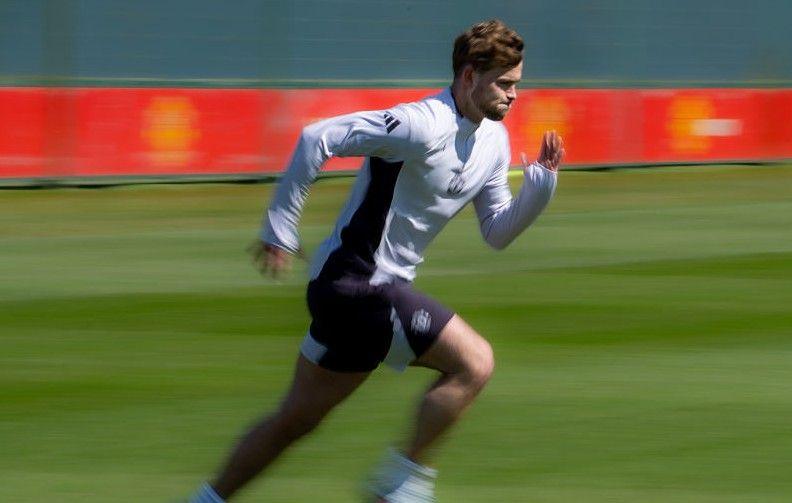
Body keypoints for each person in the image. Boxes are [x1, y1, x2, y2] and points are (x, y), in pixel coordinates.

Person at [189, 19, 564, 503]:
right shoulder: (419, 123)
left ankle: (206, 499)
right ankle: (401, 484)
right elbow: (316, 138)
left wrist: (540, 187)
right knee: (474, 363)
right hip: (353, 285)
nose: (514, 96)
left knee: (294, 422)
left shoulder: (493, 142)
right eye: (505, 84)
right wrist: (279, 230)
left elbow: (496, 231)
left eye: (517, 84)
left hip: (368, 297)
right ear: (470, 76)